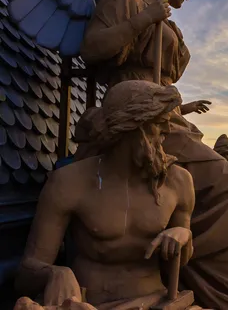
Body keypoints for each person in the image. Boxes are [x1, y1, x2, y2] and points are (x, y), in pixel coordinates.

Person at [77, 0, 228, 310]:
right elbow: (92, 48)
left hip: (165, 115)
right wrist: (144, 19)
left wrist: (183, 107)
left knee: (221, 187)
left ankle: (197, 268)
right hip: (134, 116)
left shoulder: (165, 18)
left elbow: (161, 81)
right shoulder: (123, 2)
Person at [15, 81, 195, 309]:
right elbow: (25, 275)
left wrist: (183, 235)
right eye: (159, 123)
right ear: (130, 126)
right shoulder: (69, 181)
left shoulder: (178, 182)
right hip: (88, 303)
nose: (167, 132)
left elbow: (177, 268)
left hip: (156, 302)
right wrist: (54, 273)